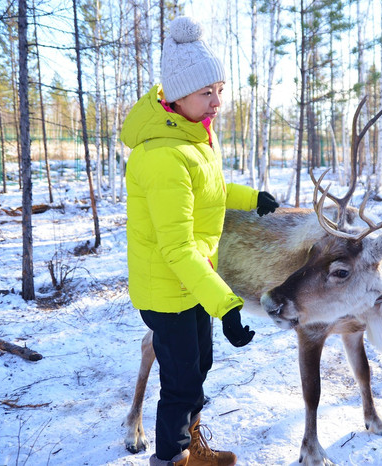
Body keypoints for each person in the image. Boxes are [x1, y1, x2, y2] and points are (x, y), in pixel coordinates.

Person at [120, 16, 279, 466]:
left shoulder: (190, 138)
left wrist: (251, 199)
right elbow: (176, 248)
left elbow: (209, 191)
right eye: (206, 92)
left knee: (199, 366)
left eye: (220, 90)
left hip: (191, 282)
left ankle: (190, 448)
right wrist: (226, 305)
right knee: (181, 383)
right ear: (176, 94)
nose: (217, 102)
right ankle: (172, 459)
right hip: (169, 286)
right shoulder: (164, 155)